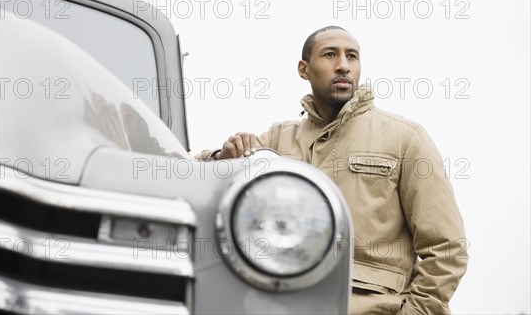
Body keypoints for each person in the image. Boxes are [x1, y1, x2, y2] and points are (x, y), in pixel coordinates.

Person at [195, 26, 468, 315]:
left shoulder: (405, 138)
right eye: (329, 55)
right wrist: (220, 158)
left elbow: (447, 249)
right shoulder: (277, 140)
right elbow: (187, 175)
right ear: (304, 69)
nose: (343, 66)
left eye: (352, 56)